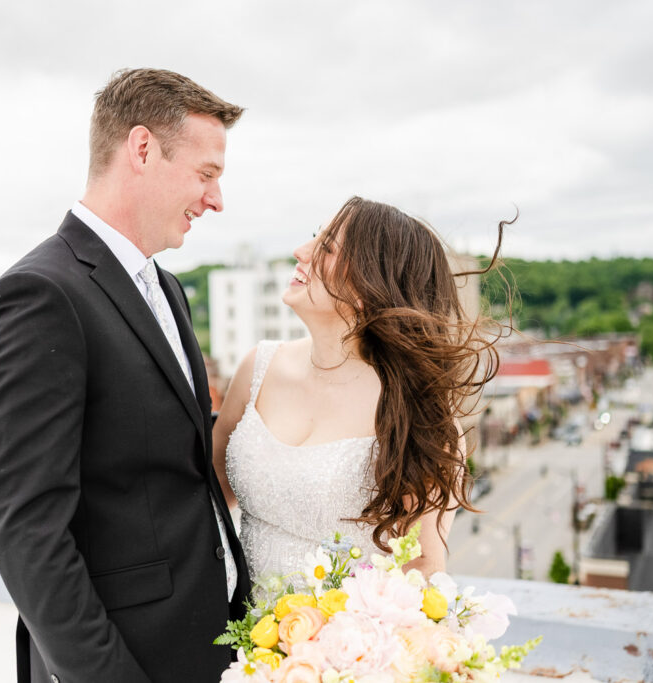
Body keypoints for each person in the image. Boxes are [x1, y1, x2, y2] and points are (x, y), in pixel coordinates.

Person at [0, 68, 250, 683]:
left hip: (213, 647)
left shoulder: (167, 289)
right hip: (128, 661)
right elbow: (25, 531)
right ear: (143, 149)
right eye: (207, 175)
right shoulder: (39, 295)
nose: (216, 200)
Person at [214, 197, 508, 582]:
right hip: (229, 630)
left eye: (328, 248)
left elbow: (422, 569)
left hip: (348, 638)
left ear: (369, 286)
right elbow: (210, 496)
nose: (301, 252)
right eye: (313, 238)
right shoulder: (258, 369)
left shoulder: (418, 417)